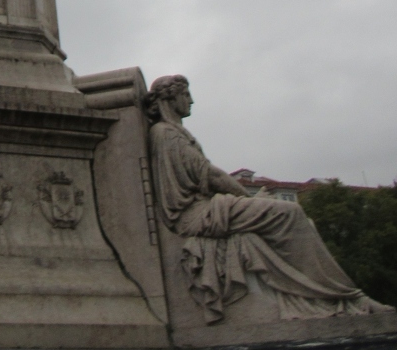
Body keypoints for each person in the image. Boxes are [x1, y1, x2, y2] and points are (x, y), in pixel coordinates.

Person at [145, 74, 384, 324]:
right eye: (185, 94)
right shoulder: (166, 134)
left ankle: (325, 298)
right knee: (291, 213)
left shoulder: (175, 132)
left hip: (208, 207)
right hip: (196, 214)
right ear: (170, 98)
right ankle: (343, 296)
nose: (191, 100)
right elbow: (212, 175)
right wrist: (247, 198)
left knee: (304, 223)